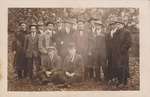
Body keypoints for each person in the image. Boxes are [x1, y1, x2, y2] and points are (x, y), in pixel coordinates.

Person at [107, 18, 132, 86]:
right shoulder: (116, 33)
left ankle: (124, 82)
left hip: (123, 54)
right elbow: (113, 43)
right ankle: (119, 81)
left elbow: (128, 43)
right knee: (118, 67)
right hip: (116, 54)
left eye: (120, 24)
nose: (118, 25)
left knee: (124, 68)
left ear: (123, 25)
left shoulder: (127, 32)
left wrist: (122, 50)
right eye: (117, 24)